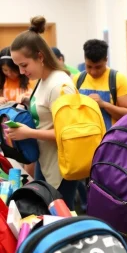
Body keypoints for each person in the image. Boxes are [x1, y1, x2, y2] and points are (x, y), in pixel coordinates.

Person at [7, 16, 78, 210]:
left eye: (24, 65)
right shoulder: (43, 81)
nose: (21, 72)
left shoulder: (60, 85)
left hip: (61, 169)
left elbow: (68, 133)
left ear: (40, 56)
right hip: (45, 162)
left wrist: (28, 133)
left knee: (60, 221)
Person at [73, 39, 127, 130]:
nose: (93, 72)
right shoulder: (78, 79)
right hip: (85, 139)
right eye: (89, 66)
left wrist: (104, 104)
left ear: (106, 60)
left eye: (98, 67)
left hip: (111, 140)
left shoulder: (118, 79)